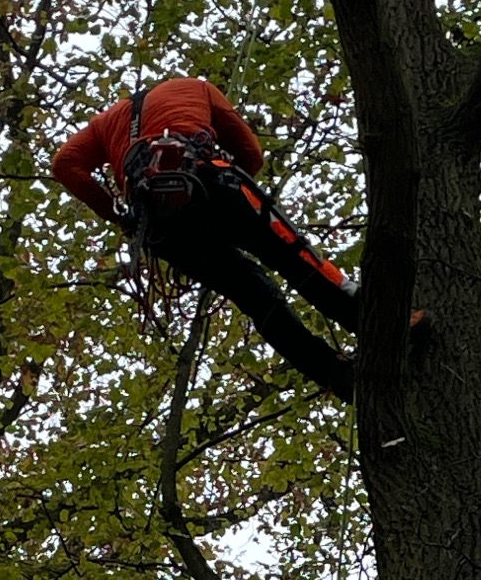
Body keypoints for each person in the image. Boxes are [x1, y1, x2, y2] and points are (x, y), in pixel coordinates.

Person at [52, 76, 362, 401]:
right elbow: (251, 154)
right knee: (295, 257)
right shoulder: (196, 88)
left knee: (257, 297)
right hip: (209, 182)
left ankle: (337, 376)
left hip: (158, 225)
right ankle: (379, 325)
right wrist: (231, 191)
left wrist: (120, 217)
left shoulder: (106, 121)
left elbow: (65, 164)